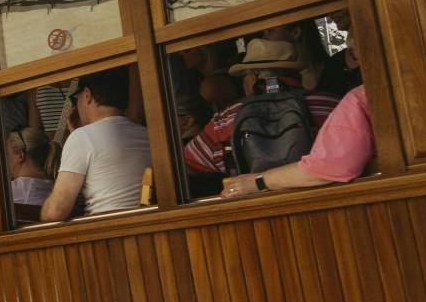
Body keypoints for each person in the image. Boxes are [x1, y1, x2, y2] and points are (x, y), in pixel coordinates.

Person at [183, 38, 340, 179]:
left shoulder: (225, 120)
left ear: (251, 79)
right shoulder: (330, 105)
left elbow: (188, 163)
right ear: (296, 75)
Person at [221, 84, 373, 199]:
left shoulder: (225, 118)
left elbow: (332, 166)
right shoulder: (330, 101)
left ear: (251, 79)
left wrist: (258, 182)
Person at [42, 68, 152, 221]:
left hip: (106, 233)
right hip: (149, 226)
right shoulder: (147, 134)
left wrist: (77, 135)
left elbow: (55, 212)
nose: (76, 106)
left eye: (75, 100)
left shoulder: (82, 138)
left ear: (87, 95)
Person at [4, 126, 54, 215]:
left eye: (7, 154)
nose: (5, 159)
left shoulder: (11, 191)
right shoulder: (56, 185)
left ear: (20, 155)